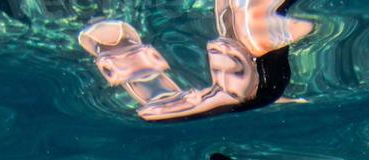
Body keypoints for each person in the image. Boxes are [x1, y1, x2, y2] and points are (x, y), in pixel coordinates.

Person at [78, 0, 313, 121]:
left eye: (224, 68)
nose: (214, 49)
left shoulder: (247, 32)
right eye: (227, 67)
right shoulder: (246, 32)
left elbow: (155, 109)